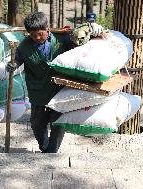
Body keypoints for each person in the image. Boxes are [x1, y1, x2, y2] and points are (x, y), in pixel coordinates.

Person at [7, 12, 103, 153]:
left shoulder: (62, 39)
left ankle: (52, 150)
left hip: (60, 91)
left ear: (47, 28)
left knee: (58, 123)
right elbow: (17, 60)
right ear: (28, 34)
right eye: (33, 35)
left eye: (40, 34)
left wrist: (91, 28)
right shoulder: (24, 46)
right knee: (37, 124)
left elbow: (81, 40)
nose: (38, 38)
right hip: (38, 92)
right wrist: (12, 65)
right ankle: (44, 147)